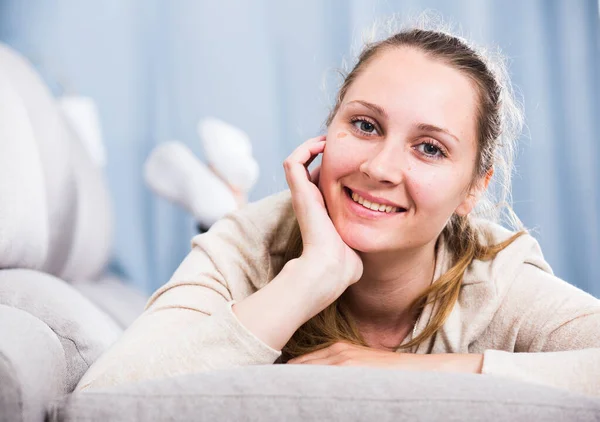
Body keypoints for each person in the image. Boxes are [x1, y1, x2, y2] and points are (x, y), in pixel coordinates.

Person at [77, 23, 600, 397]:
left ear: (472, 191)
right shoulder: (250, 243)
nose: (379, 167)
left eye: (430, 148)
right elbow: (100, 401)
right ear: (328, 130)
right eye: (366, 125)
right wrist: (313, 276)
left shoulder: (497, 278)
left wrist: (403, 370)